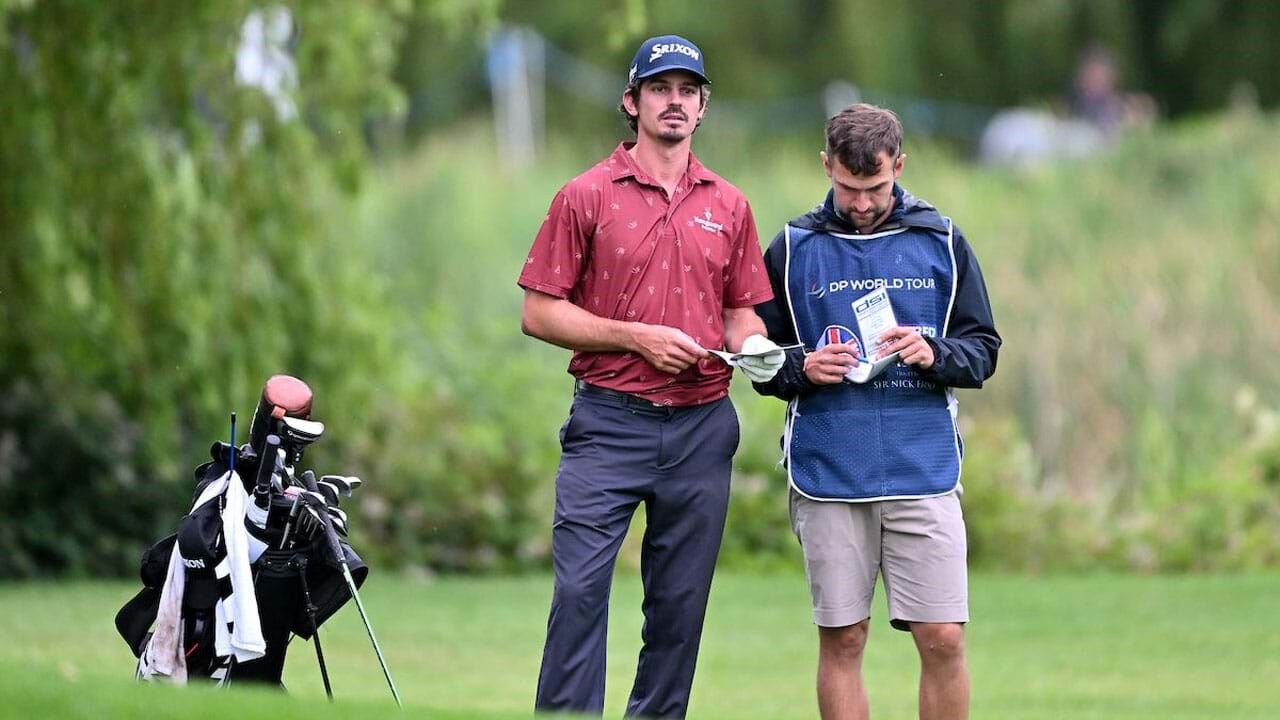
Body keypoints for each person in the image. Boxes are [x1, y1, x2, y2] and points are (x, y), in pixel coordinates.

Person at [517, 34, 784, 718]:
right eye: (660, 89)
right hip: (609, 423)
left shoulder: (730, 205)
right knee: (579, 594)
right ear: (631, 102)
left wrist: (755, 347)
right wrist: (635, 339)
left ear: (702, 109)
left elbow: (740, 312)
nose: (675, 102)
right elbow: (540, 312)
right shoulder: (585, 195)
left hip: (701, 428)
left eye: (688, 91)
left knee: (679, 609)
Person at [751, 104, 1001, 720]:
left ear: (901, 167)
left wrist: (932, 352)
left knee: (942, 638)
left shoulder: (942, 240)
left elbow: (983, 351)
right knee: (844, 638)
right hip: (830, 468)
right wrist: (799, 368)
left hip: (925, 468)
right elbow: (754, 354)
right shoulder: (791, 247)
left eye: (876, 188)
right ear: (825, 166)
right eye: (847, 188)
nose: (861, 203)